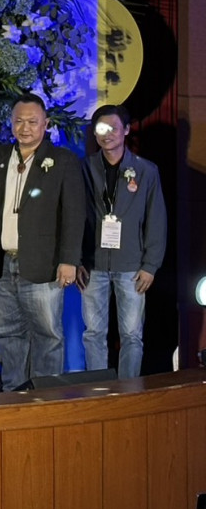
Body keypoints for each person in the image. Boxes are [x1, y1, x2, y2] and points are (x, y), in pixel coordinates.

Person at [0, 94, 84, 391]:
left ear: (46, 123)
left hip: (44, 264)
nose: (25, 127)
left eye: (32, 121)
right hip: (2, 264)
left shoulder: (63, 161)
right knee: (7, 335)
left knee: (47, 335)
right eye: (19, 121)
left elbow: (74, 214)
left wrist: (69, 260)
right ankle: (13, 396)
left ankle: (46, 399)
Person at [79, 104, 167, 378]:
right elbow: (74, 216)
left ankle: (128, 391)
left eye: (113, 128)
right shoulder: (84, 167)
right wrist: (76, 259)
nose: (107, 134)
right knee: (93, 333)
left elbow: (156, 220)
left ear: (126, 130)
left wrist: (150, 265)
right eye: (101, 129)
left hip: (132, 265)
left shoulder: (146, 170)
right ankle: (98, 389)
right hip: (93, 264)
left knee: (131, 334)